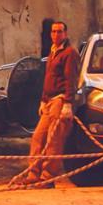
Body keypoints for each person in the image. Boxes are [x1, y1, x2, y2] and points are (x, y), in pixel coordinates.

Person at [21, 20, 80, 184]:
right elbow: (48, 79)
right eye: (53, 32)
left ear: (65, 33)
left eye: (59, 31)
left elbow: (71, 80)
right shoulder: (53, 51)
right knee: (38, 137)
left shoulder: (70, 53)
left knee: (54, 141)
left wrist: (68, 103)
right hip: (49, 102)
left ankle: (47, 177)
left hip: (60, 100)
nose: (56, 35)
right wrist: (42, 100)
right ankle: (33, 175)